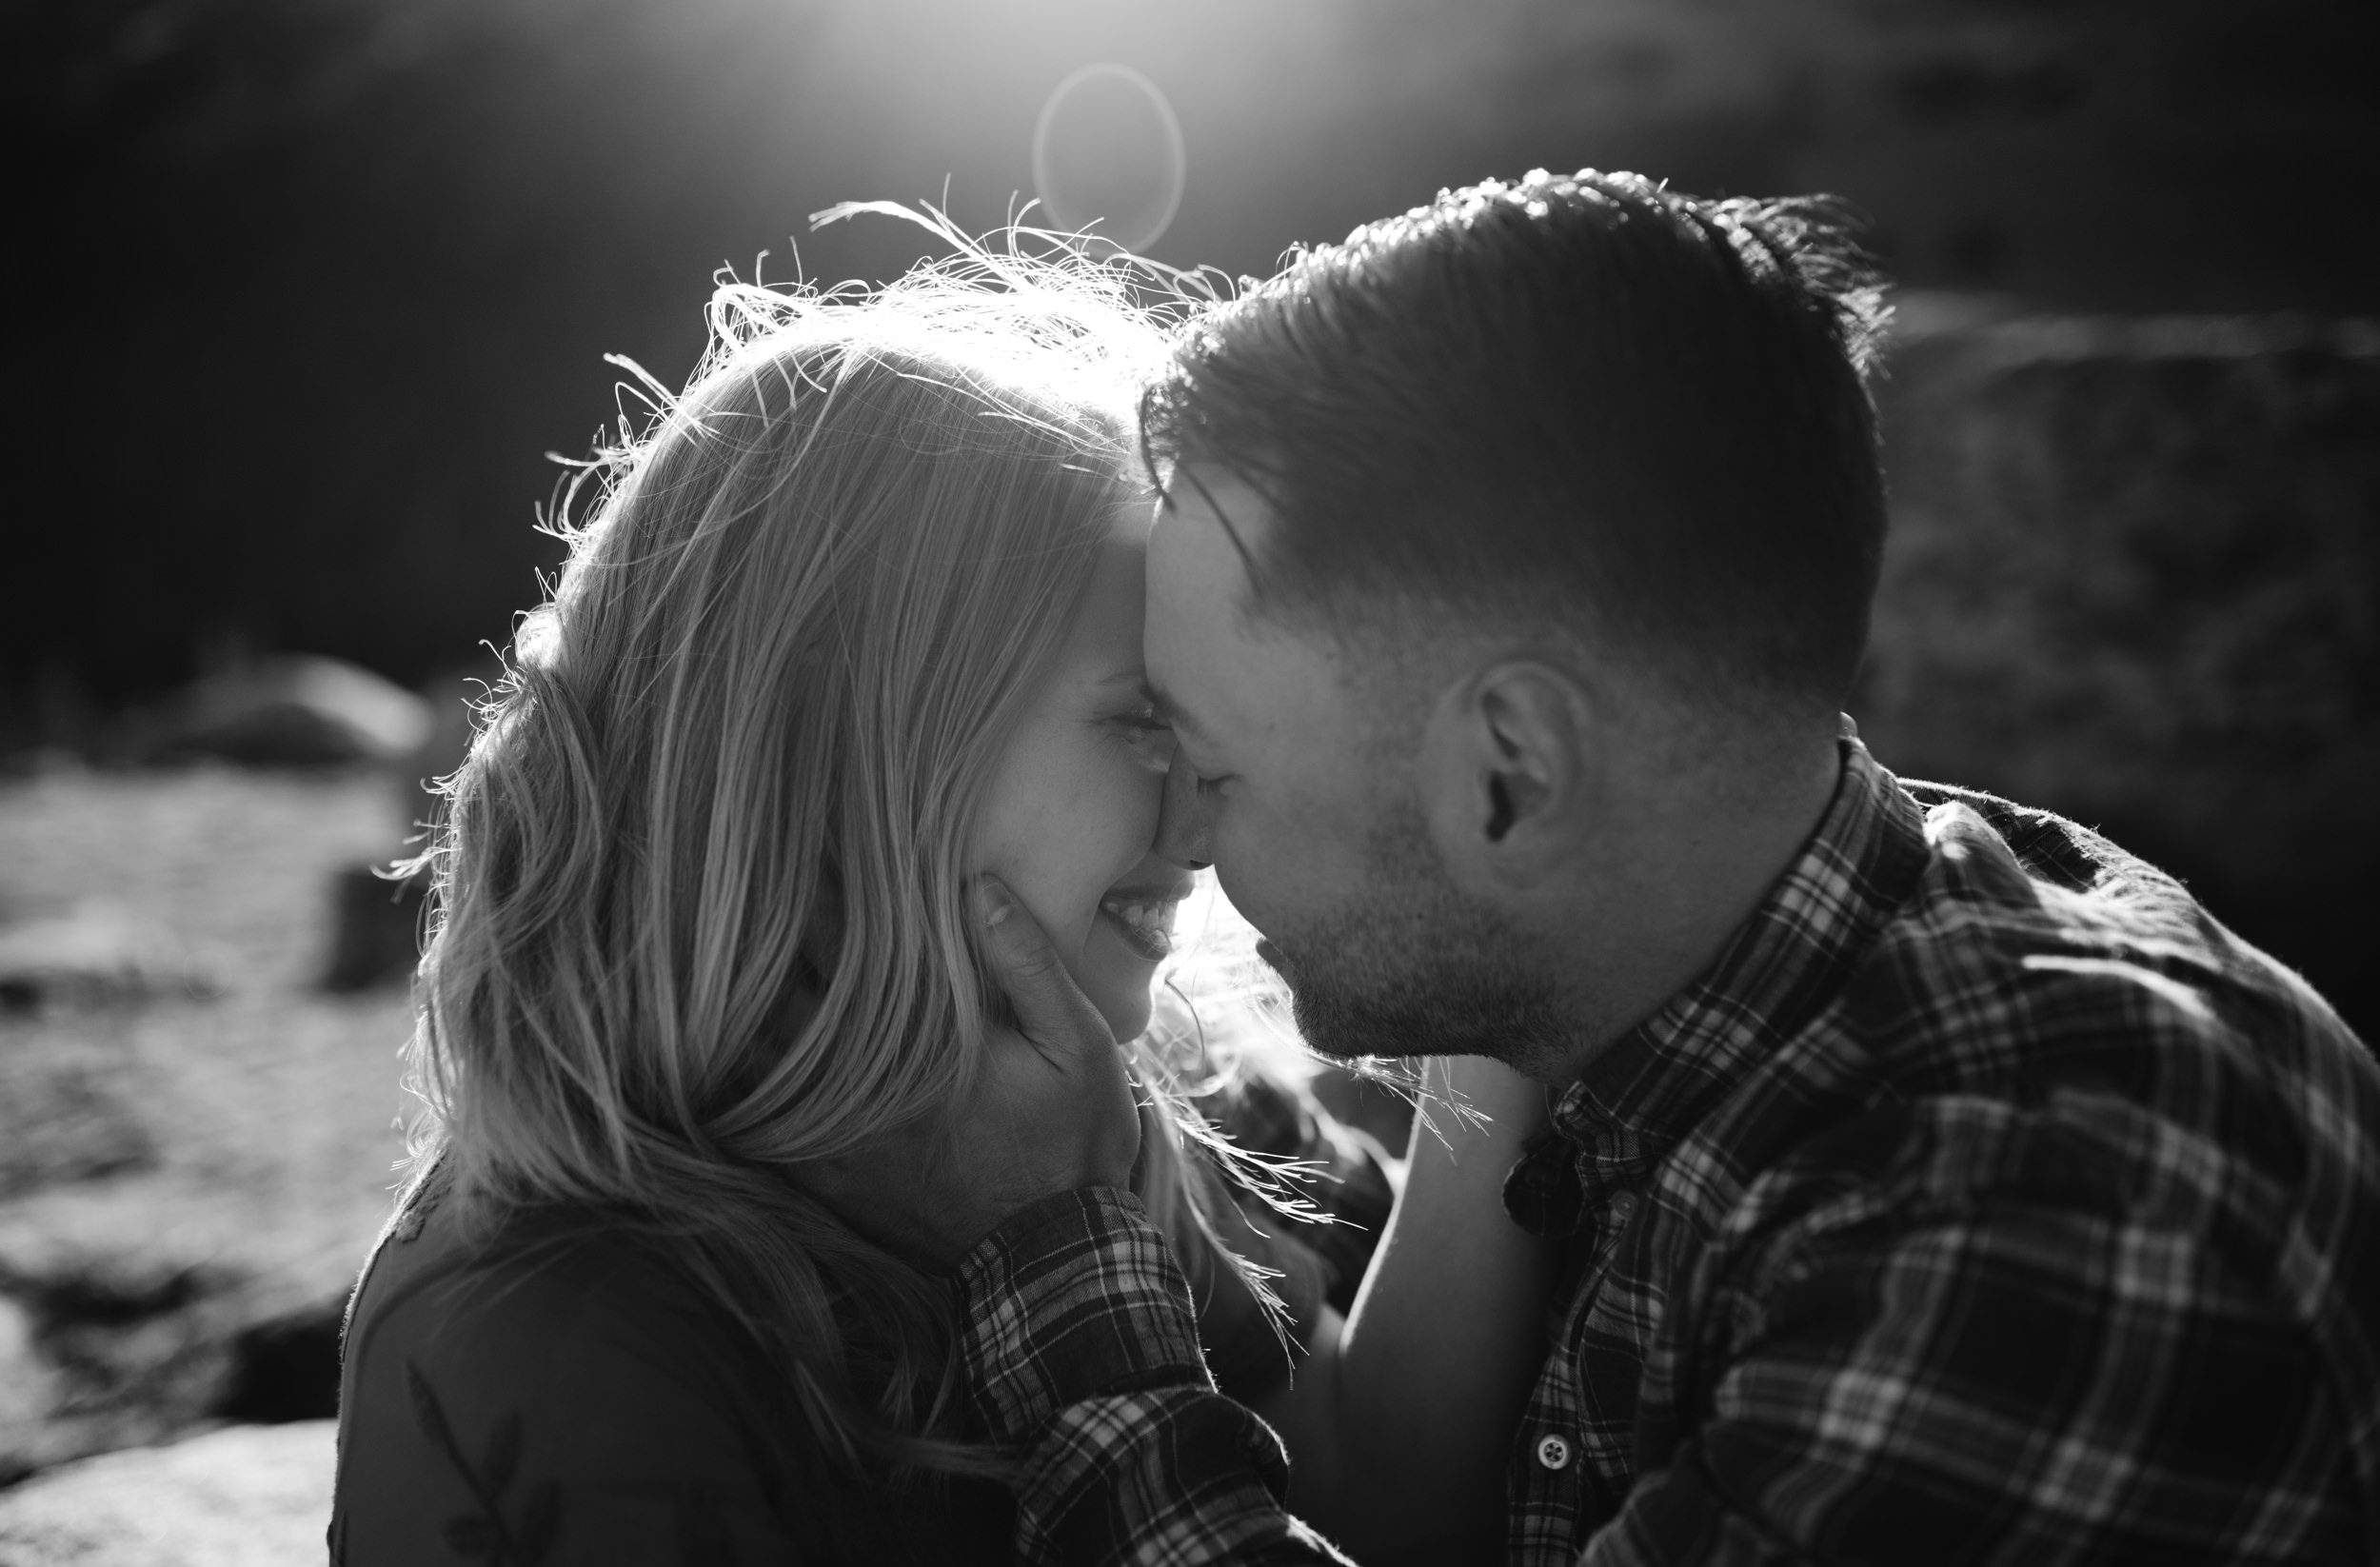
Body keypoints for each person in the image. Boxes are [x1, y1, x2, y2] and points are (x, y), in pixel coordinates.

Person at [896, 169, 2380, 1564]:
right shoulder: (1691, 980)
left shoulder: (2027, 1225)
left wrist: (1048, 1250)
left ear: (1511, 773)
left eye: (1220, 773)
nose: (1194, 843)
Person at [326, 234, 1542, 1563]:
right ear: (859, 753)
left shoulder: (1114, 1109)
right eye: (1143, 719)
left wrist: (1514, 955)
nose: (1204, 817)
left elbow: (1379, 1495)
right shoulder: (573, 1344)